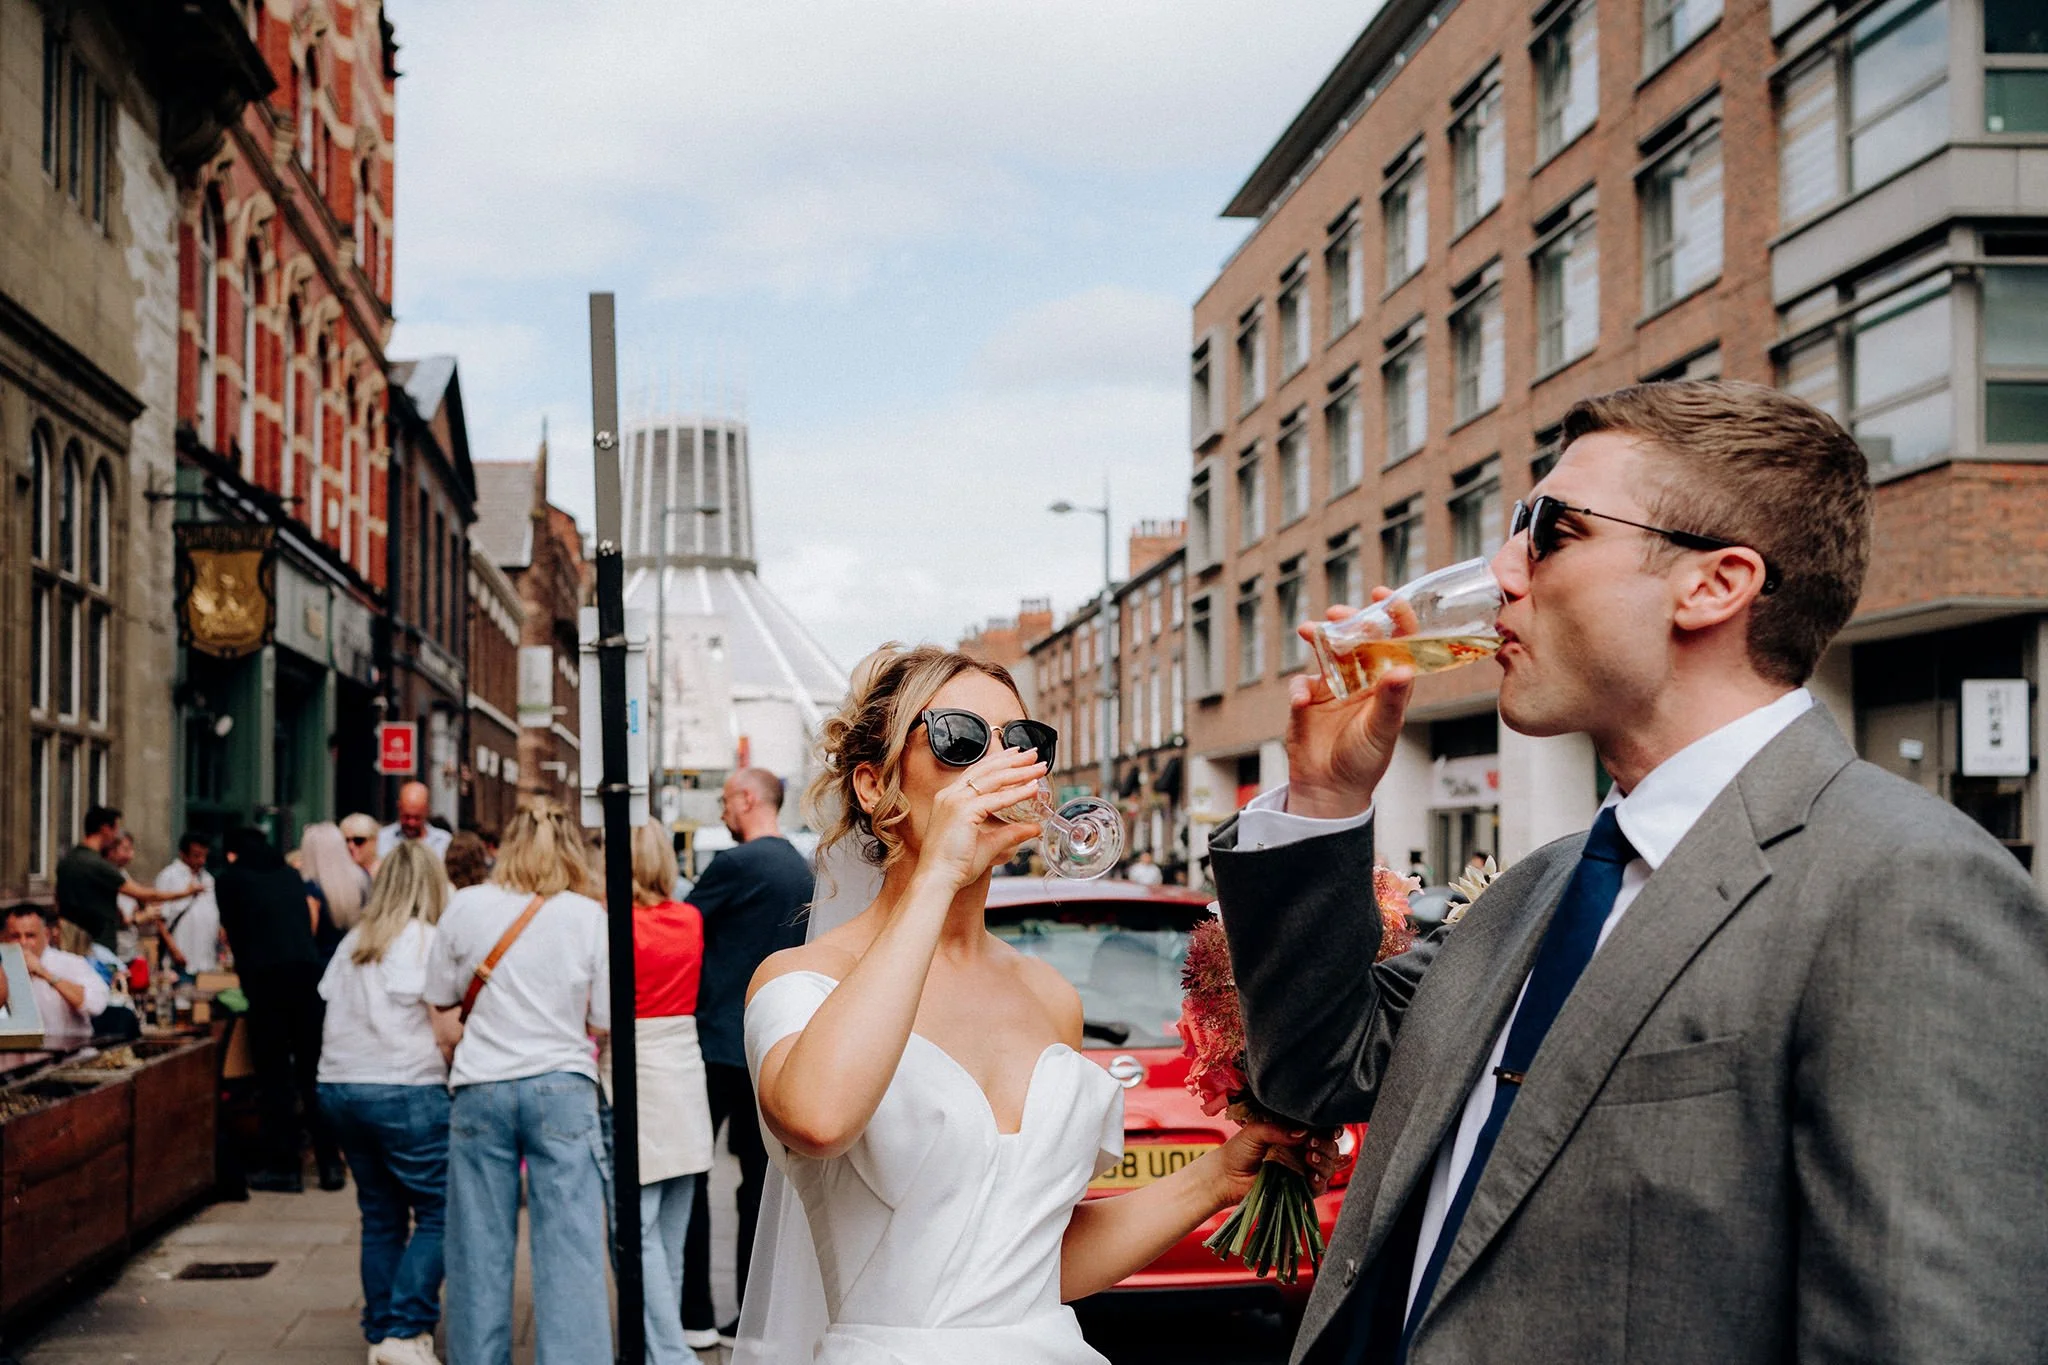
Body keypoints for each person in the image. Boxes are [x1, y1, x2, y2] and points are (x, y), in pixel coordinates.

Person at [1211, 381, 2048, 1365]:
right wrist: (1320, 804)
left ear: (1711, 585)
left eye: (1548, 530)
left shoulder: (1905, 888)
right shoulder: (1539, 890)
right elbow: (1317, 1074)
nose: (1499, 571)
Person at [736, 645, 1329, 1363]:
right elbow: (819, 1116)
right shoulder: (800, 981)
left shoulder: (1049, 998)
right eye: (961, 739)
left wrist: (1215, 1176)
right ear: (874, 786)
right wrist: (937, 874)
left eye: (1023, 742)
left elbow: (1028, 1267)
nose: (1001, 766)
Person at [425, 799, 611, 1365]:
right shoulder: (587, 915)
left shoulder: (465, 906)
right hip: (562, 1086)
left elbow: (439, 996)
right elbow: (602, 1020)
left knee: (477, 1249)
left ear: (504, 847)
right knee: (571, 1250)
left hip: (481, 1086)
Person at [679, 767, 813, 1347]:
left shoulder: (734, 864)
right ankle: (748, 1319)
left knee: (688, 1174)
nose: (722, 812)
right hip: (768, 1046)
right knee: (759, 1188)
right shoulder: (800, 869)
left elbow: (682, 927)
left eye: (726, 800)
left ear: (748, 799)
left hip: (713, 1041)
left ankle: (693, 1314)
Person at [318, 841, 458, 1365]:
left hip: (338, 1087)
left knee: (379, 1215)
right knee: (441, 1209)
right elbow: (448, 1021)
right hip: (404, 1088)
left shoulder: (354, 941)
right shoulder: (429, 941)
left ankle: (381, 1330)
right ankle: (404, 1329)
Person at [601, 824, 714, 1365]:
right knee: (669, 1228)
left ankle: (668, 1353)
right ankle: (657, 1349)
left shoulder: (616, 926)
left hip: (634, 1067)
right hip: (683, 1066)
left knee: (633, 1228)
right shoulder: (688, 919)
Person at [217, 825, 345, 1193]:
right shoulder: (290, 875)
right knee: (311, 1076)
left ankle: (284, 1167)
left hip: (266, 984)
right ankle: (329, 1164)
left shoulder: (231, 880)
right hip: (307, 981)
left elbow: (234, 933)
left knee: (275, 1077)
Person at [56, 805, 192, 959]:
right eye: (115, 830)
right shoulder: (97, 865)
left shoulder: (68, 861)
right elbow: (142, 893)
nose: (115, 837)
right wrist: (185, 893)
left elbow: (59, 900)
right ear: (105, 829)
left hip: (70, 944)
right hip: (97, 947)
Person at [2, 904, 107, 1050]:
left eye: (30, 935)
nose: (23, 943)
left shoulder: (71, 963)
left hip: (70, 1058)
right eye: (15, 936)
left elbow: (95, 1005)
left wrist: (45, 973)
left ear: (46, 935)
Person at [301, 822, 370, 964]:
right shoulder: (362, 879)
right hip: (354, 963)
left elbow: (307, 938)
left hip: (323, 967)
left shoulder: (311, 890)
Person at [156, 832, 222, 974]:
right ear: (183, 854)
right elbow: (159, 918)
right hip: (180, 958)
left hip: (206, 960)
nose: (201, 861)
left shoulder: (208, 878)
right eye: (196, 856)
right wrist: (174, 950)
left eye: (204, 856)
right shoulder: (169, 876)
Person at [380, 782, 453, 860]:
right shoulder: (382, 839)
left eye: (417, 817)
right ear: (399, 808)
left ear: (427, 810)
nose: (411, 823)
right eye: (406, 817)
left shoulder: (443, 842)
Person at [342, 812, 384, 877]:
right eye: (346, 841)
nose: (350, 846)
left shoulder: (387, 872)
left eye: (358, 840)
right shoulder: (341, 875)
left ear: (374, 840)